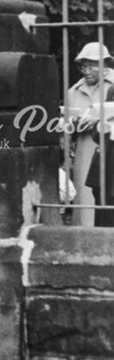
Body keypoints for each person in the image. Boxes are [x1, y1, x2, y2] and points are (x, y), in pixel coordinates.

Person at [66, 42, 114, 226]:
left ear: (105, 63)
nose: (87, 70)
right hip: (85, 148)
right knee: (84, 194)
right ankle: (85, 235)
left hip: (109, 147)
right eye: (83, 66)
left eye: (92, 65)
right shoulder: (74, 91)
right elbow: (67, 123)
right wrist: (72, 124)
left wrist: (97, 122)